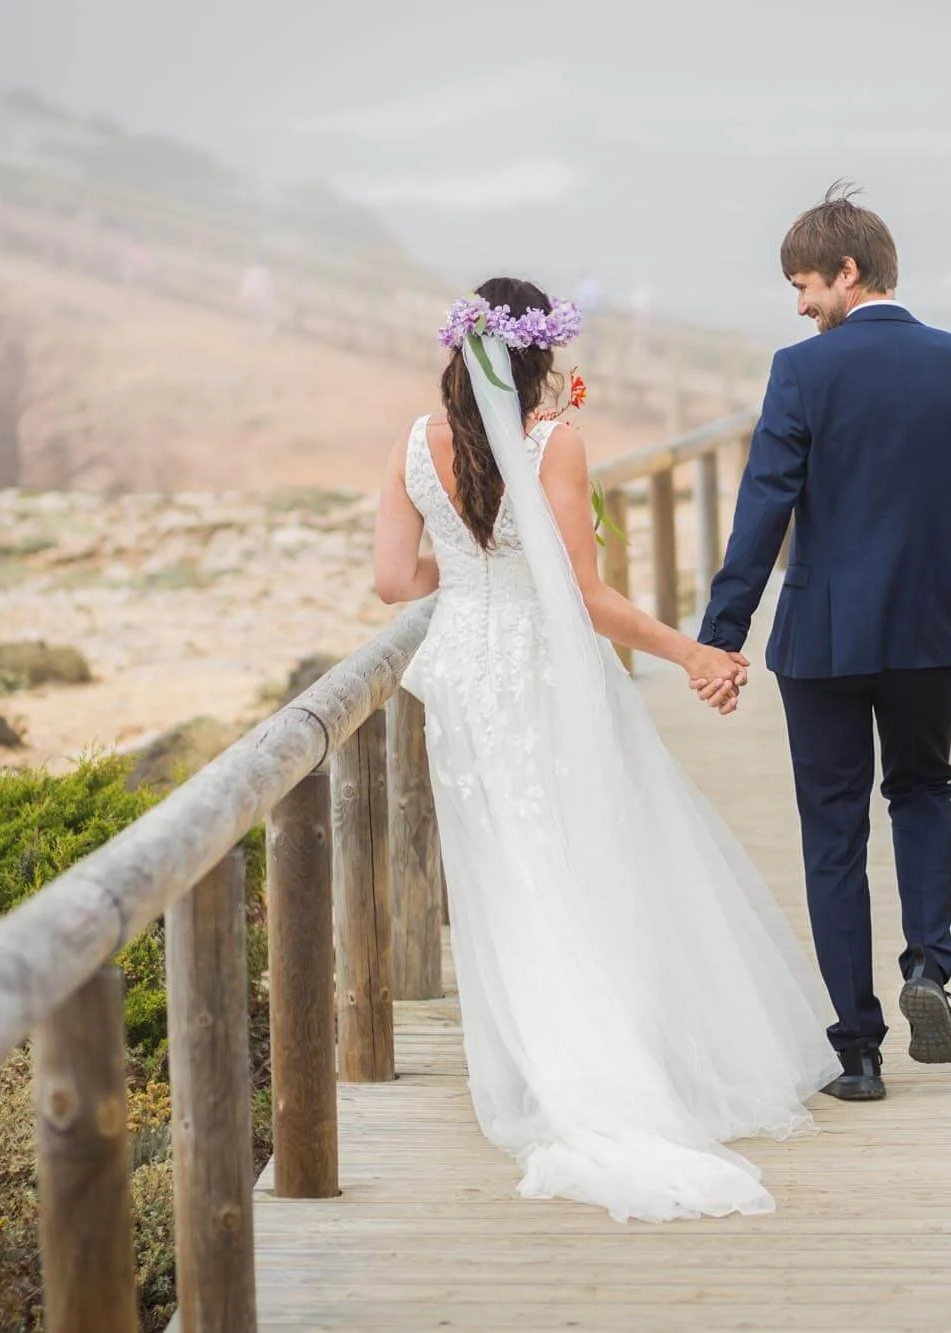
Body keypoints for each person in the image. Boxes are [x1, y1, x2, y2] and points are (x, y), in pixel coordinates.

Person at [372, 276, 840, 1223]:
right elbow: (584, 596)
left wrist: (462, 569)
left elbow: (392, 580)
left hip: (462, 675)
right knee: (578, 857)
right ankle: (605, 1069)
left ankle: (543, 1068)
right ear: (540, 355)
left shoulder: (414, 447)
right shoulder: (555, 442)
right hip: (543, 673)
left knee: (508, 870)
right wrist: (694, 650)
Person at [698, 184, 951, 1102]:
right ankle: (929, 963)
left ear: (847, 271)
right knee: (922, 789)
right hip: (928, 629)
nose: (800, 306)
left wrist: (723, 634)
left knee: (833, 831)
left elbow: (764, 510)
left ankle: (859, 1051)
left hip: (823, 639)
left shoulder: (803, 373)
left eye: (804, 284)